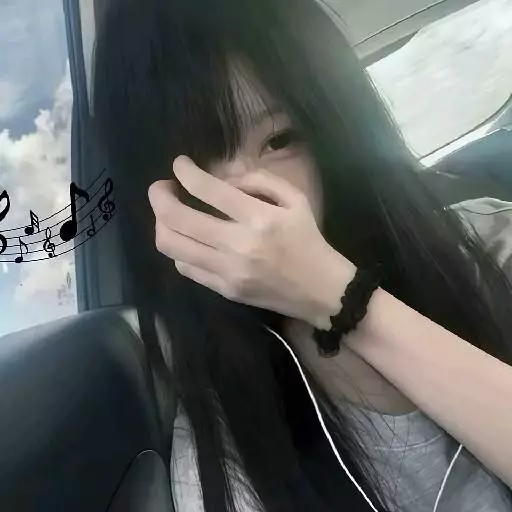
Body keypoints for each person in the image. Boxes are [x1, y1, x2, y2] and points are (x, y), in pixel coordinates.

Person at [91, 0, 512, 510]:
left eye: (280, 140)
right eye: (195, 169)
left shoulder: (486, 241)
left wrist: (339, 297)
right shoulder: (223, 460)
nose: (254, 205)